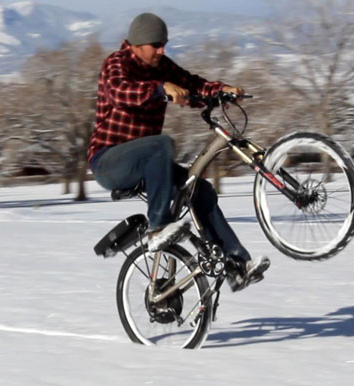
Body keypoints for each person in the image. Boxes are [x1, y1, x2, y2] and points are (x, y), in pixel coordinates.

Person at [87, 13, 269, 291]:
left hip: (149, 163)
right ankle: (156, 229)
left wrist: (222, 91)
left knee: (200, 190)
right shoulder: (116, 63)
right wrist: (159, 90)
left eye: (164, 44)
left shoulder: (161, 67)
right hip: (109, 161)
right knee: (160, 144)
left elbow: (192, 84)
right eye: (155, 45)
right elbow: (119, 92)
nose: (161, 51)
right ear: (136, 44)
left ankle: (236, 267)